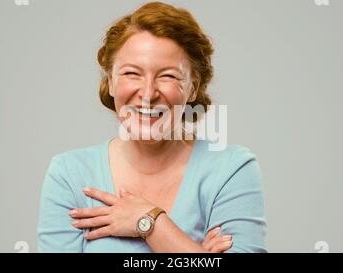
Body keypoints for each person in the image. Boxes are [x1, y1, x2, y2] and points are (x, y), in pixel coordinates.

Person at [37, 1, 267, 253]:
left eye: (168, 75)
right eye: (131, 73)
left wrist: (149, 221)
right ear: (111, 83)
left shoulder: (231, 169)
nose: (147, 94)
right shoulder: (69, 175)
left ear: (192, 87)